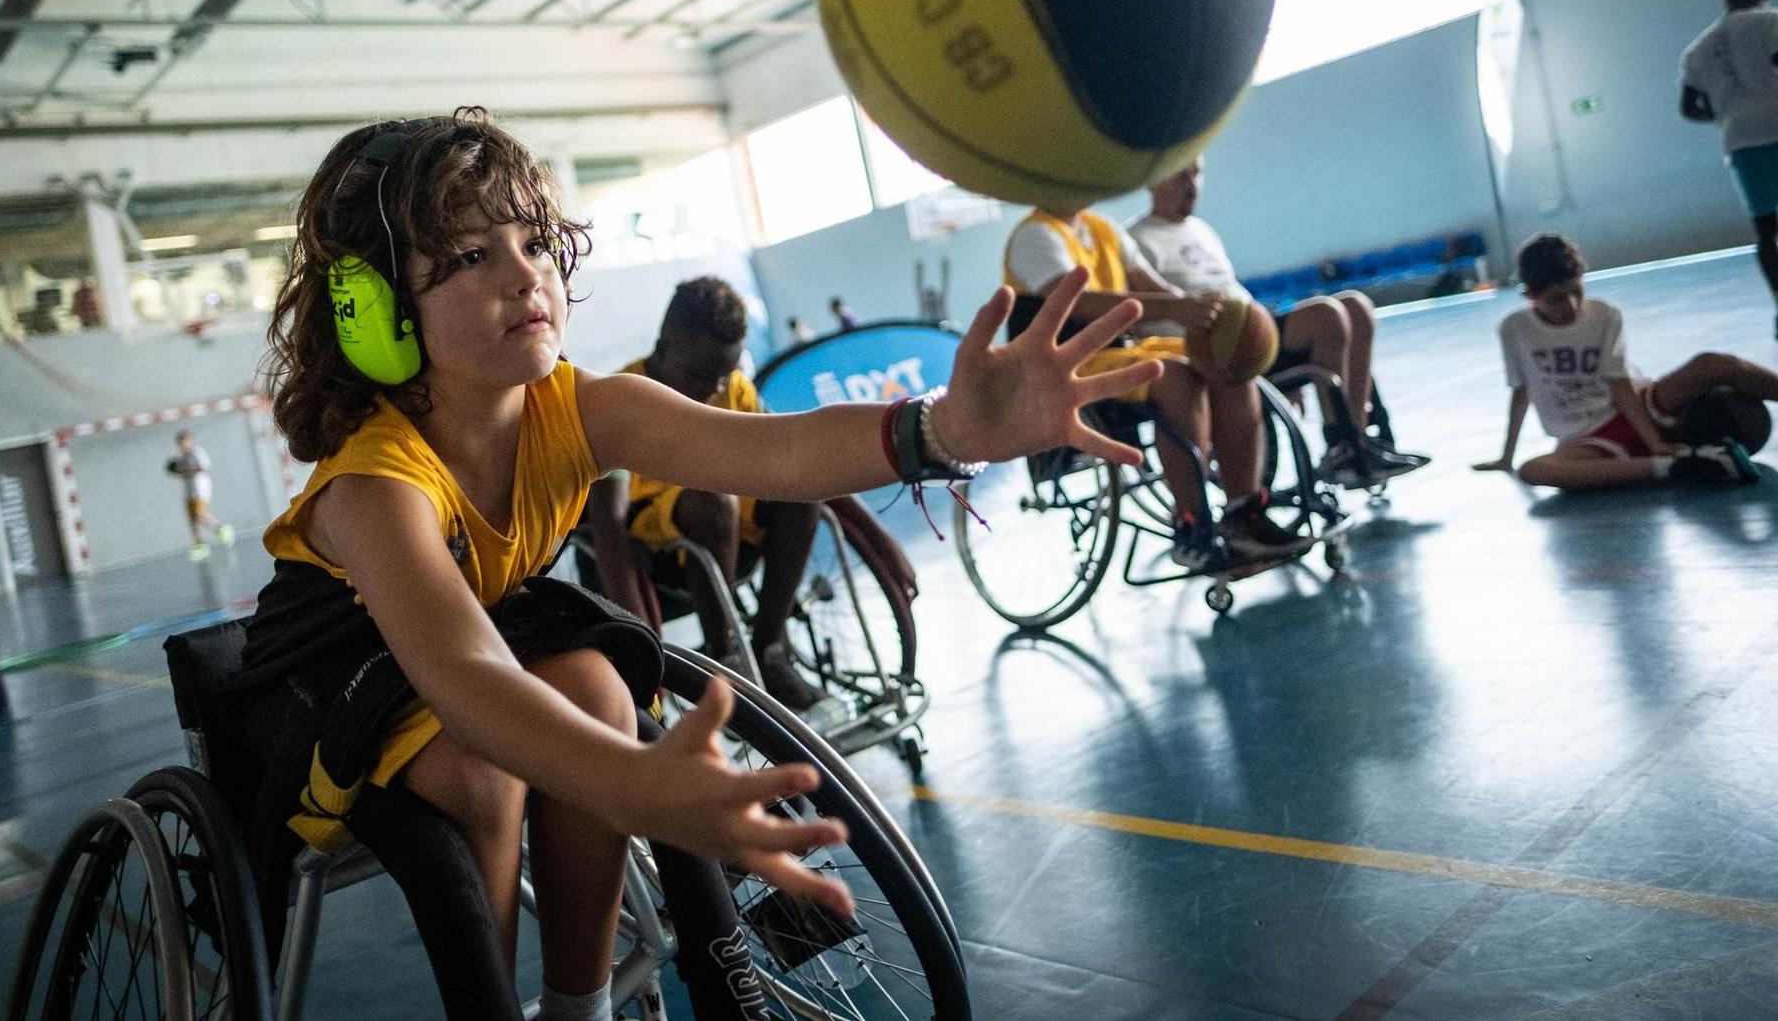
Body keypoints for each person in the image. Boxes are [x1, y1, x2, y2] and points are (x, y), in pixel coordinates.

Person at [238, 111, 1149, 1021]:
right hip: (334, 680)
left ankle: (577, 1003)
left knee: (597, 688)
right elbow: (459, 670)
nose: (526, 272)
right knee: (486, 774)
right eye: (472, 256)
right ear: (374, 311)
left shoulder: (579, 407)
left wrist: (941, 429)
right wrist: (632, 781)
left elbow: (775, 455)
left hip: (465, 635)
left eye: (533, 240)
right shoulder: (374, 484)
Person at [586, 278, 913, 715]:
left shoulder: (734, 387)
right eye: (702, 376)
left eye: (725, 373)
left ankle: (768, 648)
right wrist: (640, 650)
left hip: (737, 536)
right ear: (663, 349)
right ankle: (723, 657)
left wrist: (880, 538)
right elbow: (608, 526)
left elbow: (804, 461)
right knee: (715, 502)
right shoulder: (625, 396)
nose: (716, 387)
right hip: (661, 549)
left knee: (800, 495)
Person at [1005, 199, 1308, 567]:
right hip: (1062, 367)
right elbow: (1078, 303)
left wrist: (1202, 311)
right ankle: (1190, 525)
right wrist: (1171, 308)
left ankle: (1245, 513)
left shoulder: (1103, 229)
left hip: (1114, 354)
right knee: (1174, 375)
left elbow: (1156, 287)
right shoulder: (1035, 235)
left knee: (1225, 364)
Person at [1126, 160, 1428, 487]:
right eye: (1181, 175)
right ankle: (1341, 445)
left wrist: (1265, 342)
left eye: (1197, 174)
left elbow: (1235, 293)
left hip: (1244, 325)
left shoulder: (1202, 231)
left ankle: (1352, 439)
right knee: (1327, 315)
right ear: (1154, 182)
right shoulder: (1138, 239)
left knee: (1357, 307)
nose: (1192, 184)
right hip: (1206, 345)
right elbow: (1150, 314)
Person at [1475, 234, 1773, 490]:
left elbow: (1619, 384)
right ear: (1530, 296)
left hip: (1642, 406)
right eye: (1557, 299)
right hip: (1588, 439)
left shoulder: (1605, 315)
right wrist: (1507, 456)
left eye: (1577, 291)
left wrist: (1654, 440)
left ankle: (1663, 456)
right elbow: (1521, 390)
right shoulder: (1514, 328)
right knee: (1534, 471)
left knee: (1712, 363)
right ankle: (1683, 466)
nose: (1572, 305)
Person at [1680, 0, 1778, 335]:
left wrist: (1724, 115)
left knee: (1766, 230)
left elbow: (1688, 107)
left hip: (1740, 138)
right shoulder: (1768, 20)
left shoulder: (1698, 49)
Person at [166, 430, 233, 557]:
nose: (183, 445)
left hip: (200, 490)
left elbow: (203, 467)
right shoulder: (181, 457)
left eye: (185, 441)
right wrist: (177, 470)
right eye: (180, 443)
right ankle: (200, 544)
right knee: (192, 519)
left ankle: (221, 529)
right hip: (188, 491)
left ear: (190, 440)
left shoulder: (197, 453)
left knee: (199, 514)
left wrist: (186, 469)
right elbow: (178, 471)